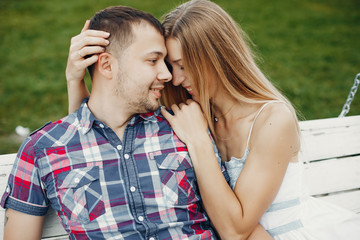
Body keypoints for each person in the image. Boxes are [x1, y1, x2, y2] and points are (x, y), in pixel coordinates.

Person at [65, 0, 360, 239]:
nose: (175, 79)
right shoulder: (188, 110)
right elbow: (97, 136)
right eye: (169, 65)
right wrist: (75, 80)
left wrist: (198, 141)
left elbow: (235, 229)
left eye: (183, 66)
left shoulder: (271, 119)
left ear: (217, 57)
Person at [1, 5, 272, 240]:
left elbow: (237, 228)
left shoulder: (185, 129)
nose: (167, 75)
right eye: (153, 60)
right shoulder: (43, 150)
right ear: (106, 66)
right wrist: (74, 78)